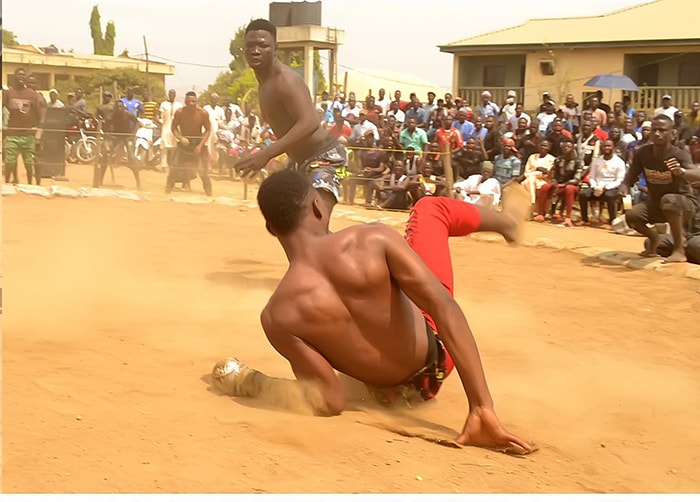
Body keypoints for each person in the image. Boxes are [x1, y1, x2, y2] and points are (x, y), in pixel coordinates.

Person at [212, 168, 534, 454]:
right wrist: (481, 405)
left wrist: (254, 383)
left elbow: (328, 399)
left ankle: (247, 380)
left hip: (391, 397)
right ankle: (508, 222)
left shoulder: (277, 315)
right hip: (438, 358)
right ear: (317, 207)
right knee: (429, 208)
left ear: (271, 229)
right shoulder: (371, 240)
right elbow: (442, 304)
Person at [235, 19, 346, 201]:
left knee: (312, 222)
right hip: (299, 161)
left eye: (263, 46)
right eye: (250, 46)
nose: (255, 51)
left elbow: (310, 122)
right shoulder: (264, 83)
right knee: (285, 217)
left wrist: (266, 154)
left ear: (275, 48)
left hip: (324, 158)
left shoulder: (285, 80)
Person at [619, 115, 699, 263]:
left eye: (662, 130)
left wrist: (682, 172)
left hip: (684, 204)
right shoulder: (643, 153)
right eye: (654, 130)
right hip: (657, 203)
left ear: (672, 134)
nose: (657, 134)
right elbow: (631, 174)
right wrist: (624, 186)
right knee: (633, 215)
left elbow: (697, 173)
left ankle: (679, 250)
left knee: (669, 200)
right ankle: (654, 238)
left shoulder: (679, 154)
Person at [2, 67, 43, 184]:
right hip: (11, 133)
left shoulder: (32, 95)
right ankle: (7, 183)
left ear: (25, 79)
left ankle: (30, 184)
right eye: (18, 75)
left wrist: (38, 131)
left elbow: (39, 114)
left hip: (28, 134)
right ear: (14, 77)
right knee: (9, 161)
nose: (21, 77)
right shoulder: (8, 93)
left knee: (29, 162)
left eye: (23, 75)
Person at [167, 91, 212, 196]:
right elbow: (173, 128)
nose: (191, 103)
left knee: (203, 172)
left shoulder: (203, 113)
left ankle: (209, 194)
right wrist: (180, 137)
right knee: (174, 169)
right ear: (185, 102)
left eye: (193, 101)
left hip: (198, 143)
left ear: (196, 101)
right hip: (184, 143)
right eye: (189, 101)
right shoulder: (180, 112)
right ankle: (167, 192)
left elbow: (208, 130)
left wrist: (200, 146)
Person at [576, 139, 626, 225]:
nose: (606, 148)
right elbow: (592, 176)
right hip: (597, 186)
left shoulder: (619, 162)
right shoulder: (596, 161)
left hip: (611, 187)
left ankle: (612, 221)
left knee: (609, 196)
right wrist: (595, 186)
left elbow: (619, 180)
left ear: (613, 147)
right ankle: (584, 219)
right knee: (582, 194)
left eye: (609, 146)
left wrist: (606, 188)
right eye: (605, 146)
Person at [159, 89, 184, 170]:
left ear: (175, 95)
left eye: (173, 94)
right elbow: (161, 116)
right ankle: (164, 165)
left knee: (174, 146)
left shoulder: (179, 105)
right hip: (166, 127)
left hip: (175, 129)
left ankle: (173, 164)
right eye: (170, 94)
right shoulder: (163, 104)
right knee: (164, 147)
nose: (171, 95)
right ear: (168, 95)